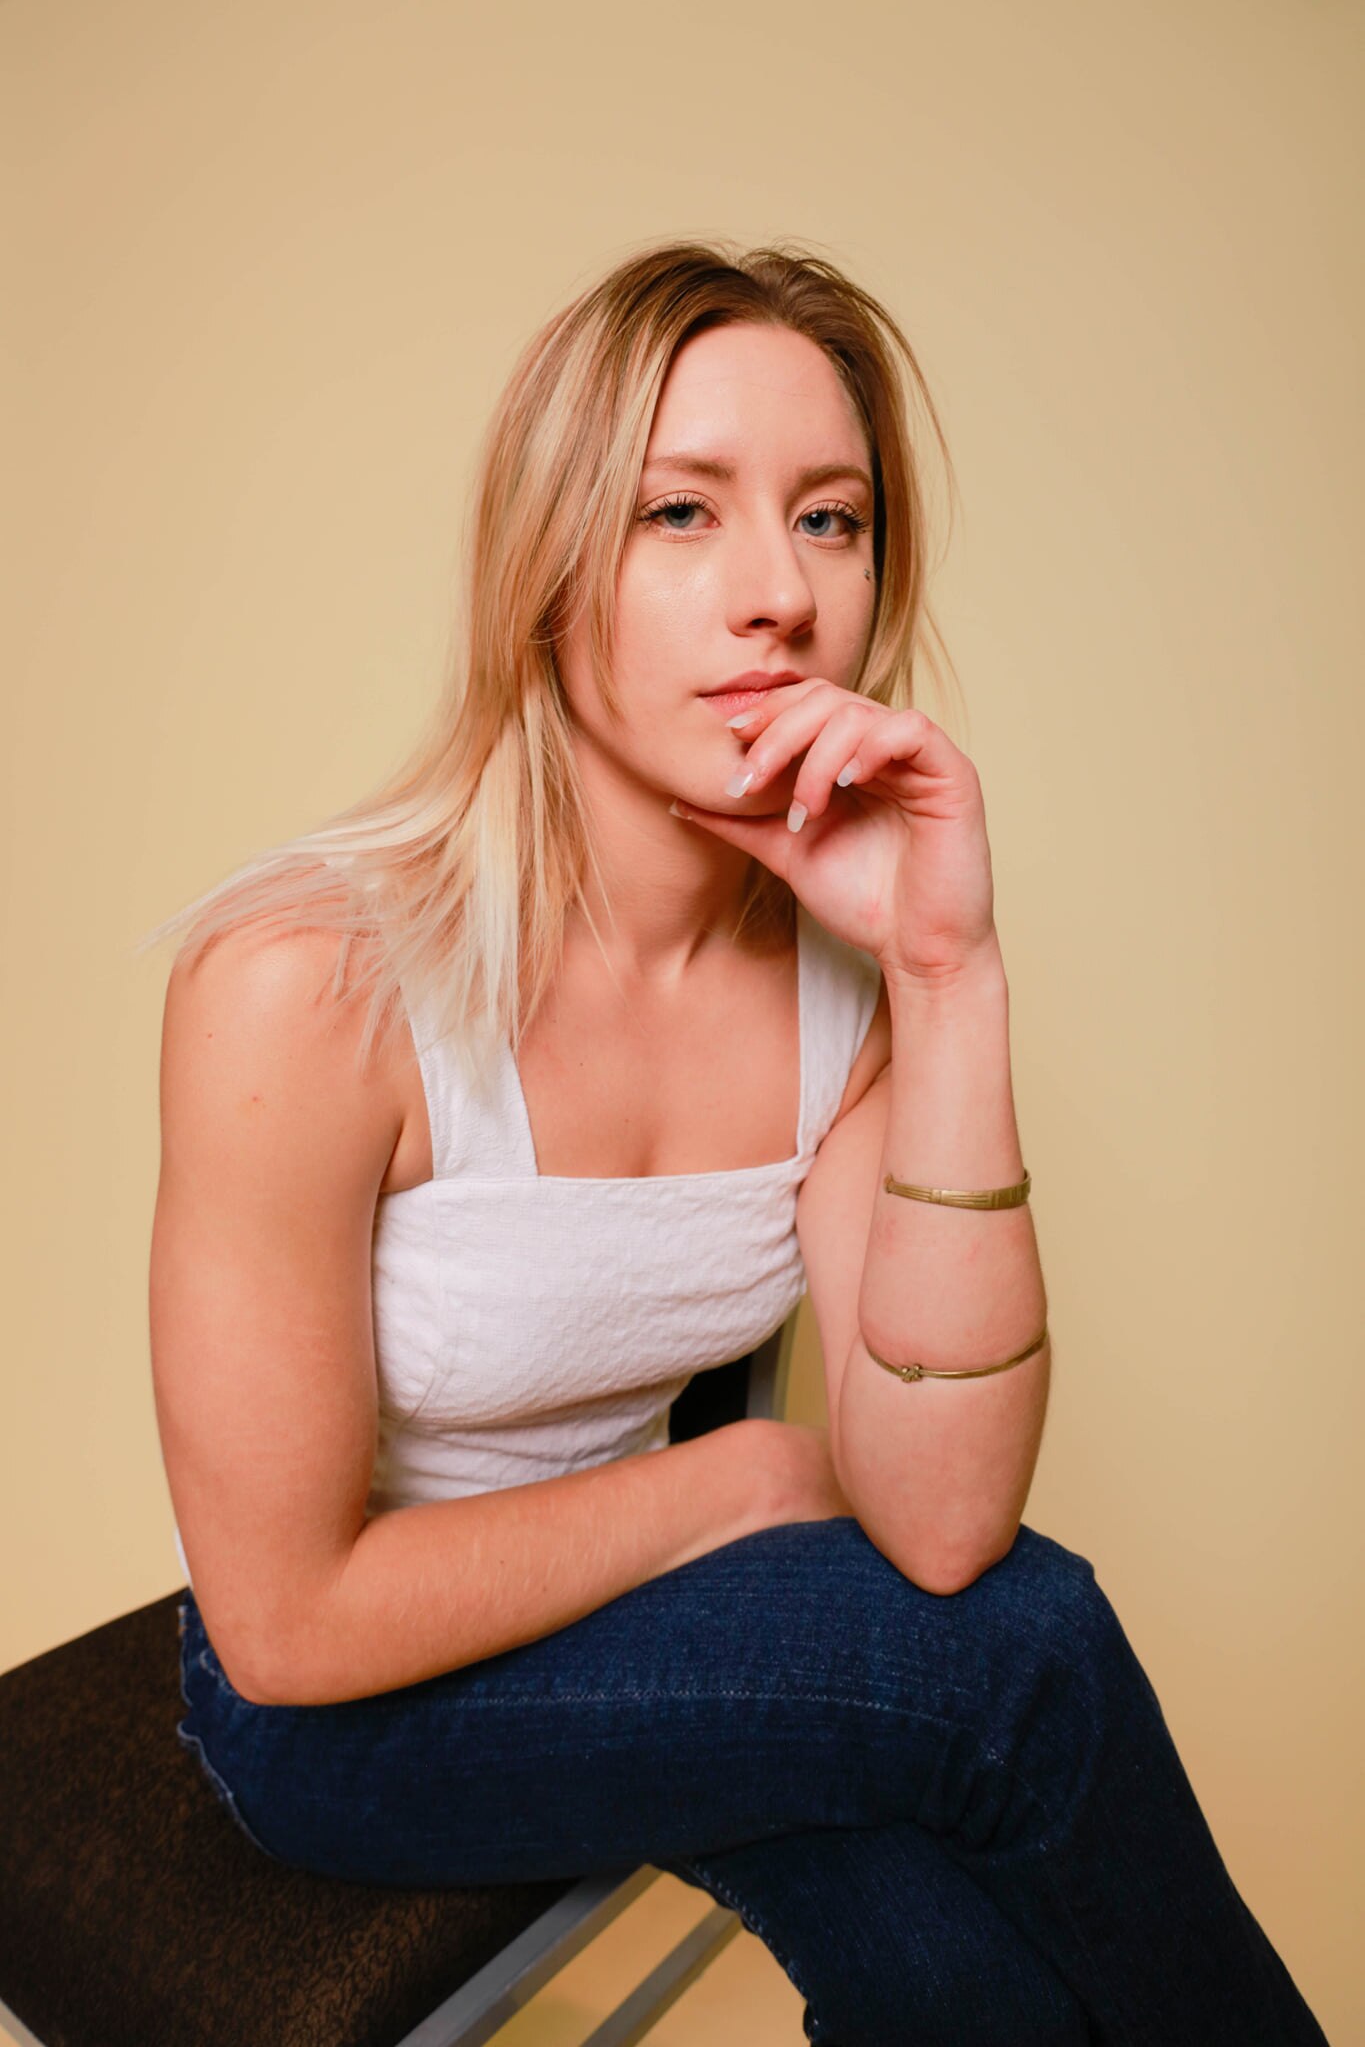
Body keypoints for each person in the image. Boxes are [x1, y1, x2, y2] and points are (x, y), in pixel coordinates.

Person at [141, 239, 1328, 2045]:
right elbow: (288, 1627)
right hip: (351, 1714)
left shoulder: (846, 985)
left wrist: (949, 972)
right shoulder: (305, 989)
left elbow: (934, 1522)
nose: (775, 593)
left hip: (661, 1627)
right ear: (547, 571)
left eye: (830, 520)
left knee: (958, 1980)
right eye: (679, 514)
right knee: (1024, 1656)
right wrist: (745, 1483)